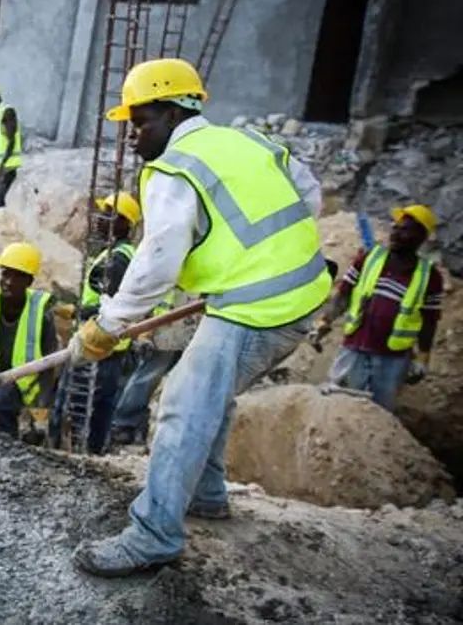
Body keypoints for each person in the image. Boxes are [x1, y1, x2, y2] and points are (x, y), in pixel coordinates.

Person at [67, 58, 330, 577]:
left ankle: (153, 535)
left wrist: (109, 324)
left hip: (260, 306)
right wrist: (273, 259)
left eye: (140, 122)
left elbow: (156, 262)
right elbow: (309, 196)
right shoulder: (247, 142)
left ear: (171, 112)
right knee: (211, 391)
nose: (133, 136)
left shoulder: (174, 169)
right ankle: (206, 494)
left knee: (184, 405)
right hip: (298, 290)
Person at [311, 205, 441, 411]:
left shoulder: (430, 277)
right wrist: (324, 321)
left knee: (380, 412)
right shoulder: (370, 258)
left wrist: (423, 357)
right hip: (355, 348)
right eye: (395, 228)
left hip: (392, 358)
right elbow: (344, 294)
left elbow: (429, 322)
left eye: (405, 230)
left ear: (420, 237)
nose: (395, 234)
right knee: (338, 405)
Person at [50, 192, 140, 454]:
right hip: (103, 343)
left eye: (109, 214)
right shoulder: (115, 254)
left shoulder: (118, 260)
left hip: (100, 345)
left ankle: (81, 455)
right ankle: (92, 453)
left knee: (79, 407)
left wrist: (76, 311)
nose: (100, 218)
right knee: (96, 408)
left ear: (124, 223)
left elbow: (111, 308)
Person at [0, 242, 57, 438]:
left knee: (40, 433)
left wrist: (40, 415)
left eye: (17, 276)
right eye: (5, 274)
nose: (8, 282)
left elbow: (49, 366)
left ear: (29, 282)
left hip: (33, 382)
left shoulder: (42, 312)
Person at [108, 289, 199, 446]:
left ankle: (131, 424)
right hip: (167, 332)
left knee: (156, 379)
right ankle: (124, 423)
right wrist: (146, 334)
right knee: (146, 378)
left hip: (185, 331)